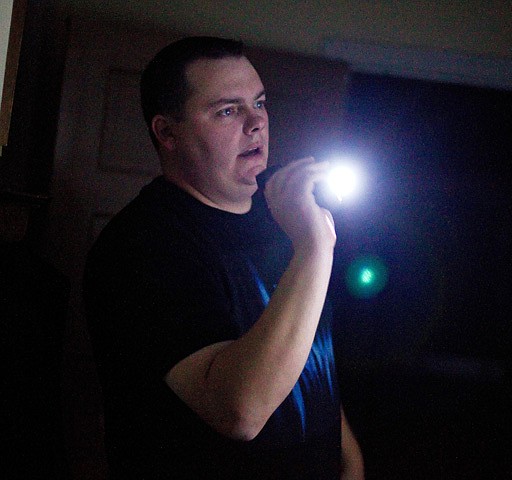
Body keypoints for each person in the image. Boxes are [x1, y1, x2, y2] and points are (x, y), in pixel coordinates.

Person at [83, 36, 364, 479]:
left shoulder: (284, 214)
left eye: (260, 102)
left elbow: (308, 352)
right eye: (228, 110)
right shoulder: (142, 245)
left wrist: (348, 459)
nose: (257, 123)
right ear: (167, 132)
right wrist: (314, 249)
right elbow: (240, 412)